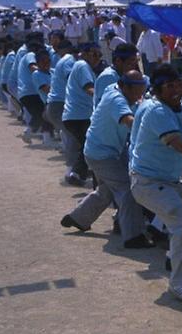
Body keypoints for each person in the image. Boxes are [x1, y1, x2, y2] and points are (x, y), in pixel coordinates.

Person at [129, 64, 182, 303]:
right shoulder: (156, 110)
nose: (177, 89)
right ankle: (178, 283)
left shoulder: (181, 100)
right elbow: (179, 144)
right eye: (170, 86)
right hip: (148, 183)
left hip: (171, 181)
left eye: (179, 84)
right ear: (157, 90)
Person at [61, 70, 154, 248]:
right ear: (125, 86)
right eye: (138, 89)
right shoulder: (116, 98)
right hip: (101, 154)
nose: (141, 93)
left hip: (106, 151)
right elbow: (129, 121)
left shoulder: (122, 92)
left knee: (108, 189)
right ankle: (133, 236)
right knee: (127, 188)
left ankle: (78, 217)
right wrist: (155, 131)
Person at [62, 42, 102, 186]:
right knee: (89, 145)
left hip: (76, 114)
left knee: (85, 145)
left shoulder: (85, 67)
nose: (98, 57)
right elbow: (89, 89)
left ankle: (78, 173)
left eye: (100, 55)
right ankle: (77, 174)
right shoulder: (83, 66)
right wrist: (104, 100)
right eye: (94, 53)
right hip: (79, 115)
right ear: (84, 53)